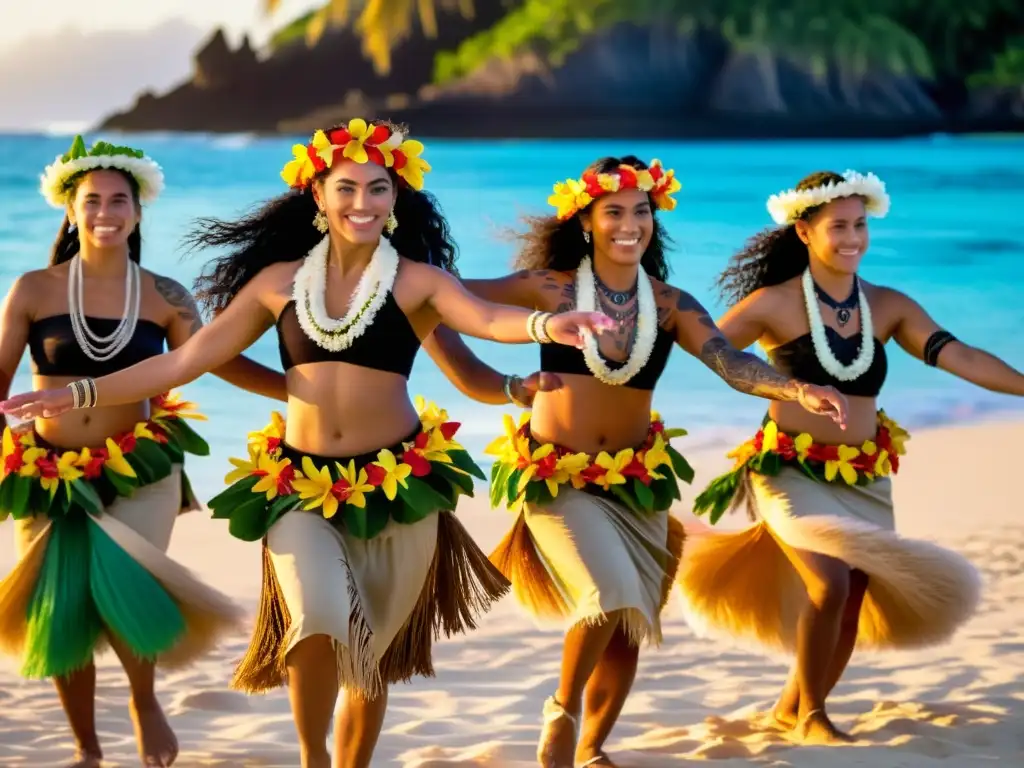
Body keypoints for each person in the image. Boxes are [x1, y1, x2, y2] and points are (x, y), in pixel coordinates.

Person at [0, 119, 617, 768]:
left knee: (371, 656)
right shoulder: (276, 282)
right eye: (346, 187)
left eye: (378, 188)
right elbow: (186, 362)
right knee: (318, 618)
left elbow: (488, 318)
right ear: (317, 196)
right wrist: (77, 394)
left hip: (399, 486)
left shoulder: (418, 282)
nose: (362, 203)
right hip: (299, 486)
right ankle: (312, 759)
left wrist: (550, 323)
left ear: (396, 197)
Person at [420, 155, 850, 767]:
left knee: (628, 625)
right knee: (608, 593)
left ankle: (594, 749)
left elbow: (731, 361)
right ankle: (563, 713)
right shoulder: (548, 288)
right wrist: (493, 384)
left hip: (637, 484)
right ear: (587, 222)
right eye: (613, 211)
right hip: (557, 477)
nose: (630, 223)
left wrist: (795, 388)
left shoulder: (670, 303)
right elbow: (437, 304)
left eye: (641, 211)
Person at [678, 170, 1013, 744]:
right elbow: (705, 347)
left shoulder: (886, 306)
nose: (853, 237)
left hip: (864, 476)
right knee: (829, 583)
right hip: (788, 470)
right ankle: (813, 718)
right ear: (804, 231)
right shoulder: (774, 304)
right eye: (839, 227)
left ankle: (795, 706)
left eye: (861, 224)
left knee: (853, 592)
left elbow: (961, 356)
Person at [0, 136, 286, 767]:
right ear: (71, 211)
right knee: (61, 608)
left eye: (118, 200)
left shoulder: (164, 294)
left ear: (137, 211)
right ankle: (86, 749)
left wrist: (298, 388)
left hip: (142, 469)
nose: (106, 211)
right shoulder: (33, 289)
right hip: (45, 472)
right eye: (92, 200)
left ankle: (144, 700)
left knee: (125, 580)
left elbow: (214, 358)